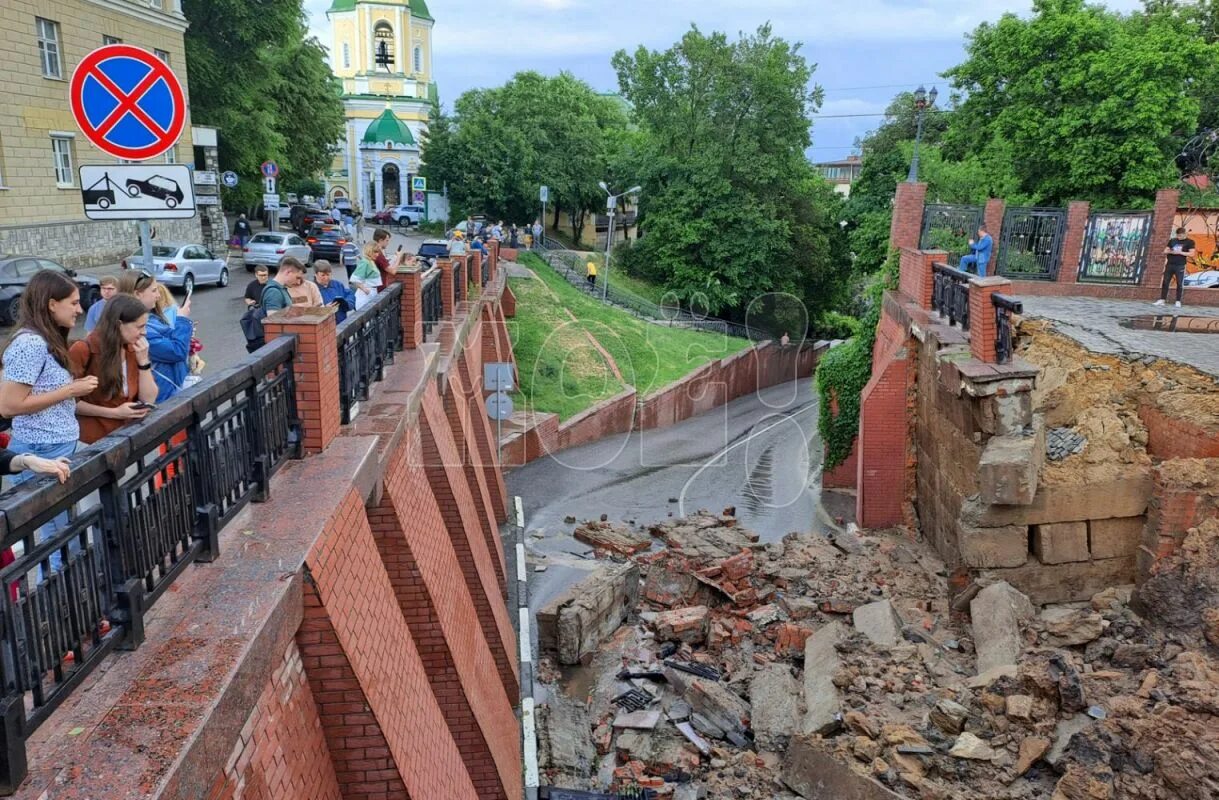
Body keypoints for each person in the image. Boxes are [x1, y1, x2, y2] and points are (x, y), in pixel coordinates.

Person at [0, 271, 99, 547]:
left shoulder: (44, 339)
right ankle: (70, 589)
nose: (80, 309)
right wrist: (70, 390)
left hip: (54, 446)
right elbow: (8, 406)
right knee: (61, 539)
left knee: (64, 533)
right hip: (42, 449)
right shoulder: (30, 343)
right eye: (74, 302)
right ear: (51, 304)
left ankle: (74, 586)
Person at [69, 294, 157, 445]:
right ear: (118, 324)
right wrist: (114, 413)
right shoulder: (84, 349)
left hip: (126, 437)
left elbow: (149, 399)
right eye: (140, 326)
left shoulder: (132, 348)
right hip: (93, 442)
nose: (145, 332)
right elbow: (69, 402)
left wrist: (144, 363)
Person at [117, 270, 193, 402]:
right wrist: (182, 321)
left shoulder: (153, 320)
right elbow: (177, 351)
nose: (158, 295)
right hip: (162, 398)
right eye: (154, 291)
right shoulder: (141, 330)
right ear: (137, 294)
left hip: (170, 392)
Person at [1155, 226, 1195, 308]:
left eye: (1180, 235)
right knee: (1165, 281)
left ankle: (1178, 301)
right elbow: (1165, 250)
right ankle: (1162, 299)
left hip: (1180, 265)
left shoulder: (1190, 242)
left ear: (1184, 234)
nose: (1179, 237)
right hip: (1170, 264)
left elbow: (1192, 254)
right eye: (1178, 235)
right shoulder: (1173, 241)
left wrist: (1180, 252)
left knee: (1179, 283)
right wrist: (1172, 251)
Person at [350, 243, 384, 311]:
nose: (377, 254)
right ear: (369, 251)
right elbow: (354, 279)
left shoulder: (370, 261)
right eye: (375, 252)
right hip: (365, 295)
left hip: (371, 292)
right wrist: (365, 290)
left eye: (378, 252)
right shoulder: (365, 262)